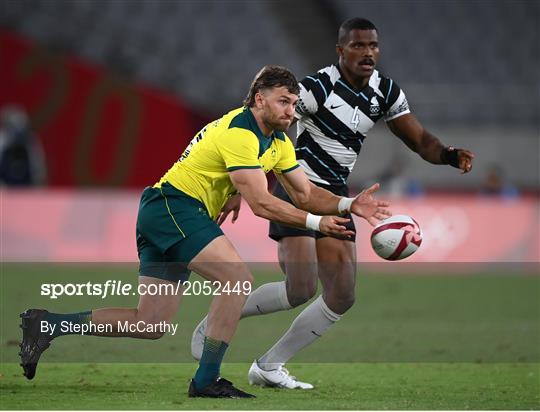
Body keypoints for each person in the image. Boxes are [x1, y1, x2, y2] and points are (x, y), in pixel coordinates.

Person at [19, 65, 391, 398]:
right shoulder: (240, 131)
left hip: (170, 213)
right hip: (173, 207)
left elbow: (306, 193)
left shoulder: (278, 143)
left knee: (150, 324)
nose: (291, 112)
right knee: (236, 279)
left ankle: (48, 324)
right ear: (259, 99)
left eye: (295, 103)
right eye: (283, 102)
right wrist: (316, 223)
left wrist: (347, 204)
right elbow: (262, 204)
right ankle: (206, 379)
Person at [191, 18, 475, 389]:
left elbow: (419, 140)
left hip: (338, 196)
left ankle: (270, 365)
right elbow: (263, 123)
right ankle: (215, 321)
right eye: (358, 46)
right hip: (298, 187)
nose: (368, 52)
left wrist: (448, 155)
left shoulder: (385, 92)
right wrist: (236, 187)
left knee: (342, 293)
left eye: (373, 46)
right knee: (300, 288)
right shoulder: (317, 88)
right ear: (340, 51)